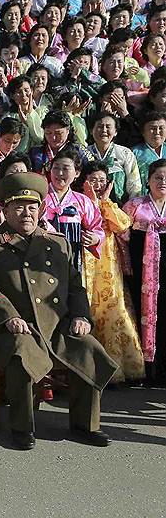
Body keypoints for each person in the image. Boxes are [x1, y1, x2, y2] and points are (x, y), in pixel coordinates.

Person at [0, 171, 119, 450]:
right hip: (10, 327)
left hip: (56, 325)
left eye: (32, 207)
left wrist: (80, 316)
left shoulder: (57, 242)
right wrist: (9, 317)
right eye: (18, 206)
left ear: (40, 210)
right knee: (21, 354)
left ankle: (84, 426)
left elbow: (76, 287)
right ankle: (21, 427)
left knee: (88, 347)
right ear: (5, 210)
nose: (26, 213)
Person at [75, 161, 145, 383]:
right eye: (92, 179)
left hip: (108, 264)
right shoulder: (77, 202)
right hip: (84, 261)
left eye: (101, 180)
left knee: (112, 310)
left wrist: (104, 201)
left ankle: (116, 369)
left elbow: (123, 225)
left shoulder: (109, 204)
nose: (97, 184)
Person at [123, 159, 166, 385]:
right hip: (141, 273)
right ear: (148, 180)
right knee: (142, 315)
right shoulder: (134, 205)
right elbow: (121, 237)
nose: (163, 182)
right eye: (158, 177)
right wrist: (127, 265)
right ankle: (144, 369)